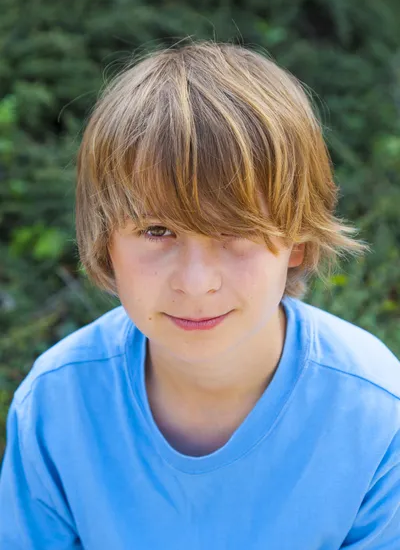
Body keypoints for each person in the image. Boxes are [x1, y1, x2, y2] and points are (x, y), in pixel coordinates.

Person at [0, 40, 399, 549]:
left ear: (296, 240)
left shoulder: (377, 414)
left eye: (236, 232)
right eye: (156, 231)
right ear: (106, 240)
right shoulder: (56, 405)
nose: (195, 282)